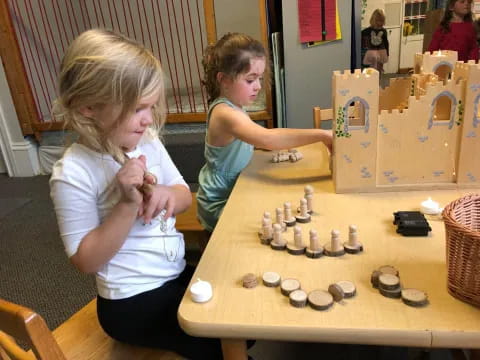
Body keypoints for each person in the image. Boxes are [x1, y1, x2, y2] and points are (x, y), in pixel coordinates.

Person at [49, 29, 222, 359]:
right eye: (139, 108)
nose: (148, 120)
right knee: (216, 341)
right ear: (88, 107)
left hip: (172, 273)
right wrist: (127, 204)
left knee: (238, 319)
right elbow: (86, 260)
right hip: (129, 302)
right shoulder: (73, 172)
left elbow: (185, 195)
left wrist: (165, 195)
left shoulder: (148, 141)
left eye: (151, 106)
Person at [197, 32, 333, 234]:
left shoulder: (235, 106)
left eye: (259, 78)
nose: (259, 86)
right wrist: (322, 134)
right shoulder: (224, 113)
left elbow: (255, 140)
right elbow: (268, 138)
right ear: (223, 80)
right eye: (250, 80)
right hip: (220, 199)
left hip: (239, 185)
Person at [361, 9, 389, 73]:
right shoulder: (365, 32)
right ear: (373, 20)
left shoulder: (383, 31)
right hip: (369, 58)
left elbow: (386, 43)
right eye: (377, 21)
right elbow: (362, 45)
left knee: (377, 73)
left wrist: (387, 54)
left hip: (380, 57)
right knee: (368, 74)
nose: (380, 23)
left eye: (382, 21)